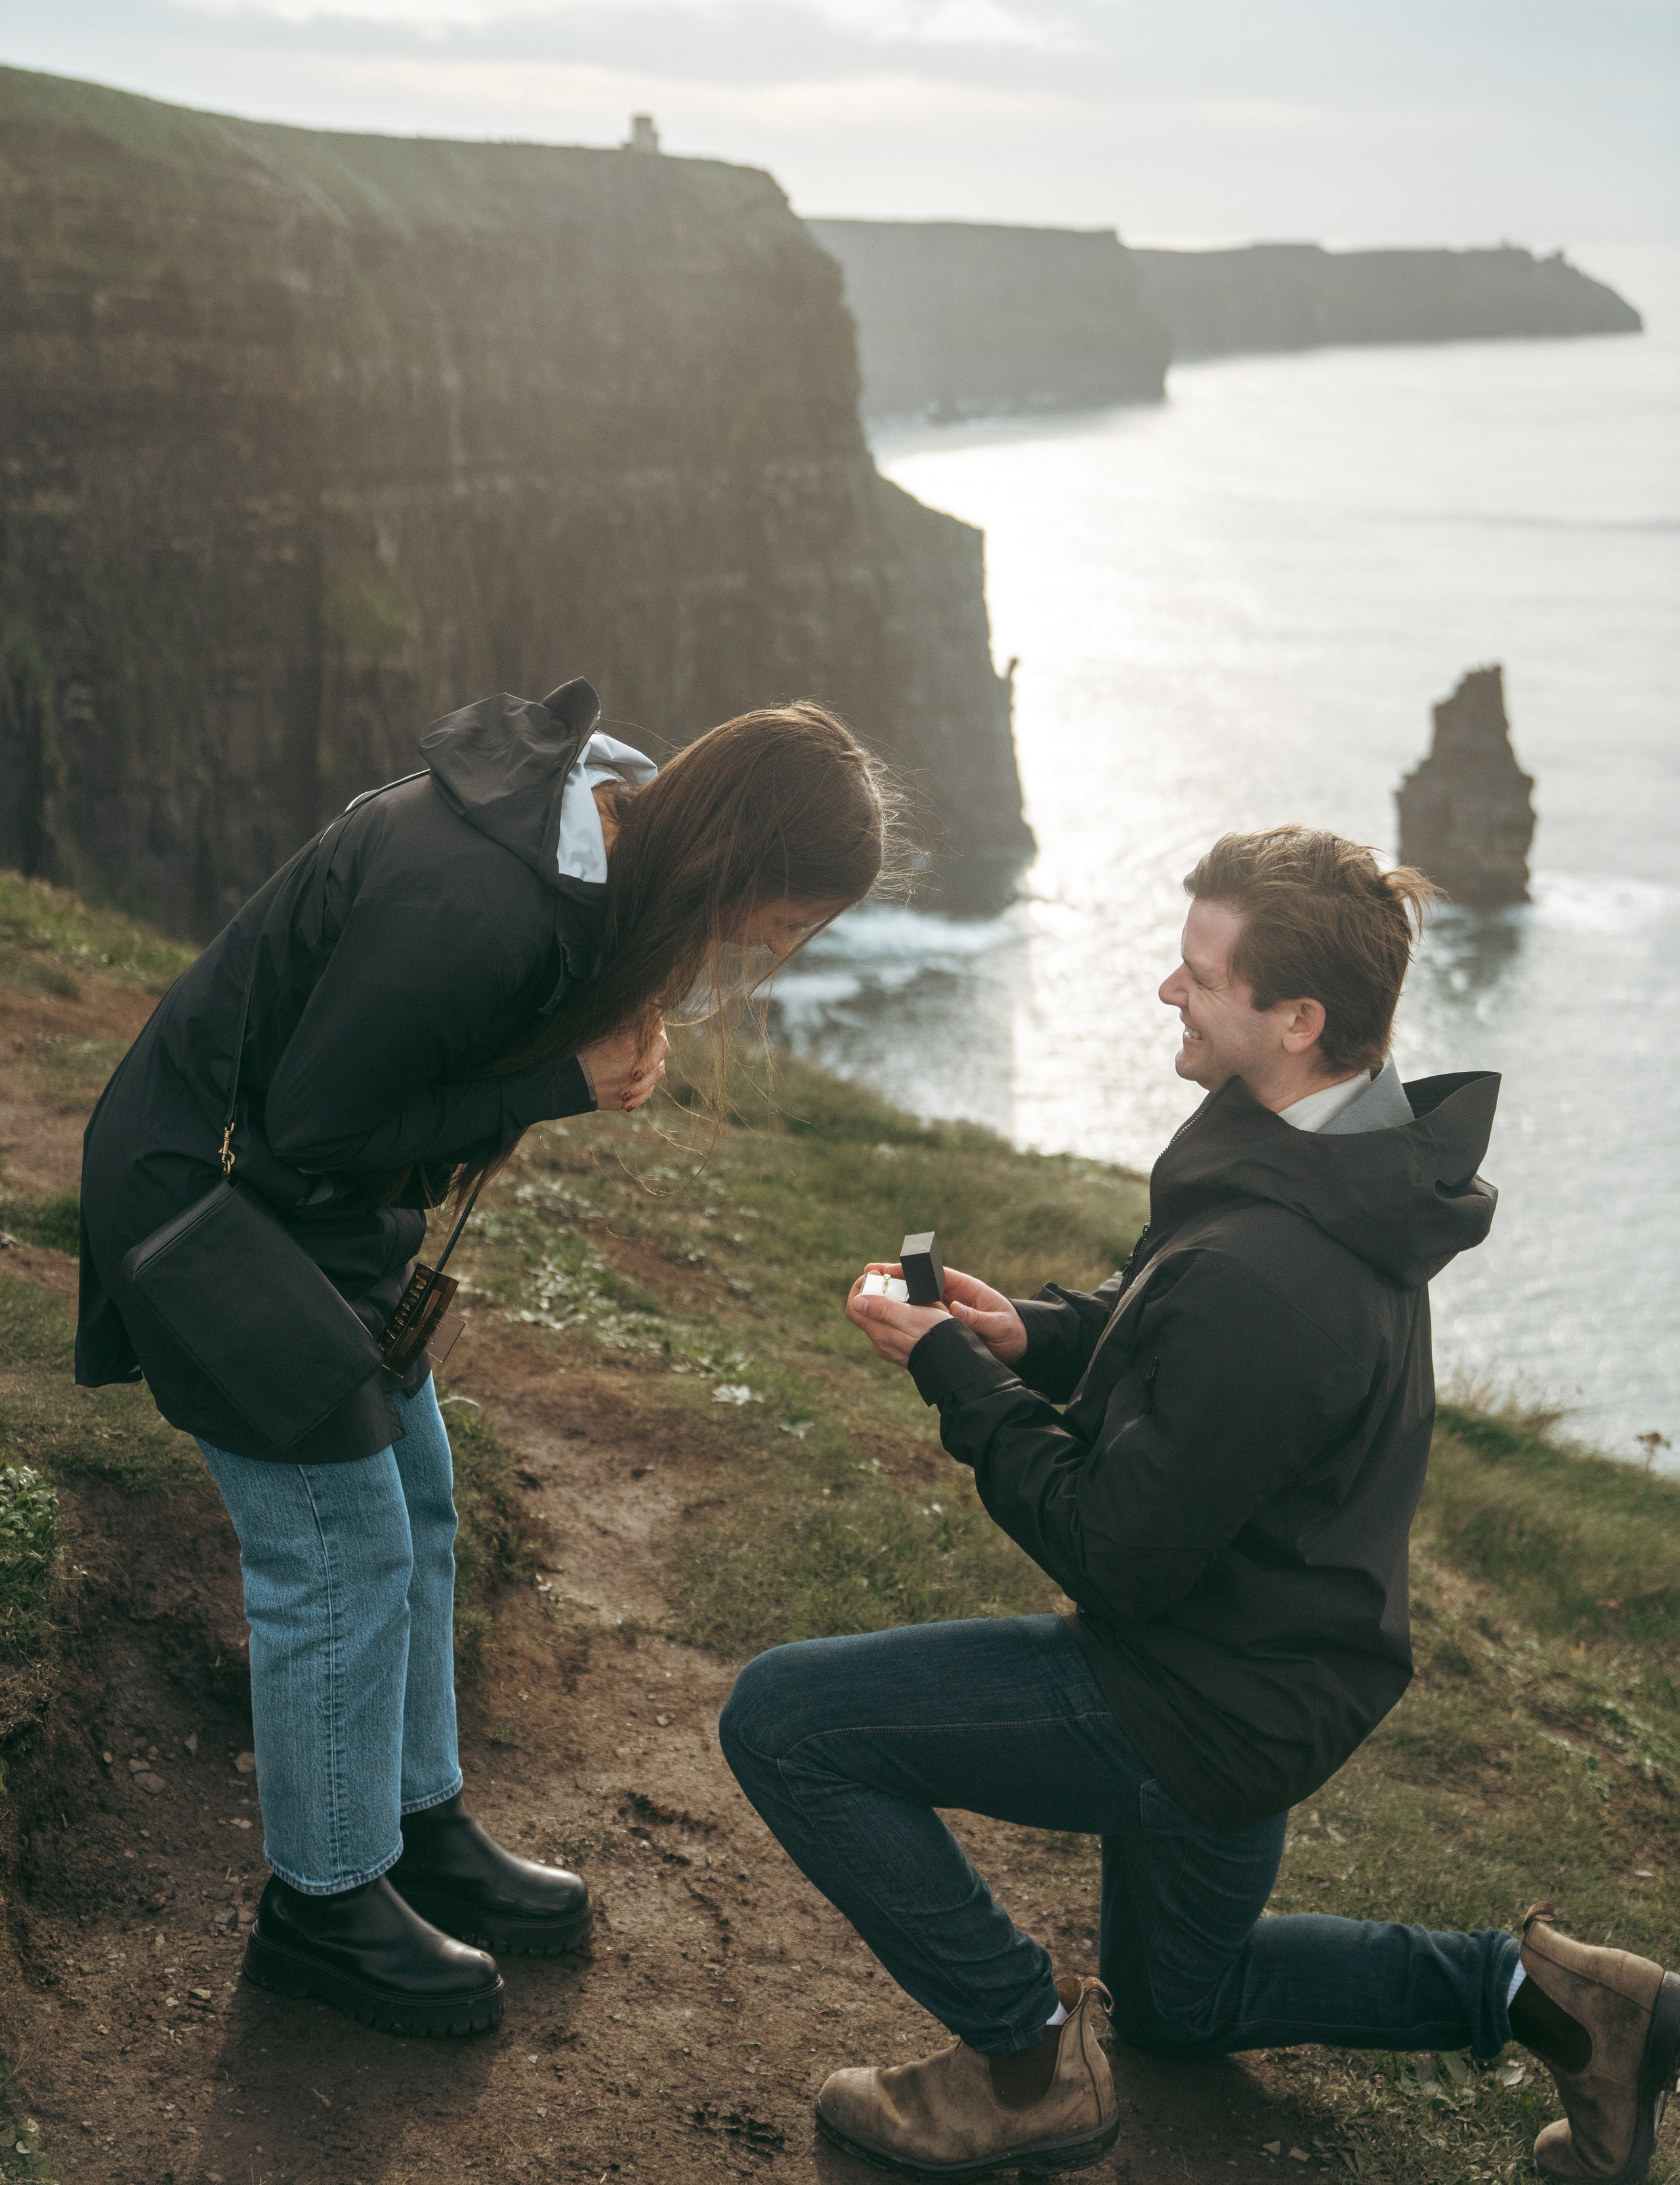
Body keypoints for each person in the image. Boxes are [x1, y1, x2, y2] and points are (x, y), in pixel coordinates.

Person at [722, 827, 1680, 2184]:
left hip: (1198, 1698)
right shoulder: (1325, 1147)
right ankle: (1553, 2006)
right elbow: (1179, 1333)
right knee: (1182, 2004)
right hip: (1282, 1660)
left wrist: (942, 1370)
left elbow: (1115, 1547)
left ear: (1295, 1018)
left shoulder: (1281, 1272)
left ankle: (1019, 2063)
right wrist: (1037, 1340)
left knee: (784, 1721)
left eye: (1197, 976)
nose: (1167, 994)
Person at [77, 679, 895, 2039]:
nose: (785, 947)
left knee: (421, 1504)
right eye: (793, 918)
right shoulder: (479, 901)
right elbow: (317, 1125)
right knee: (337, 1552)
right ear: (739, 862)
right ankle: (321, 1908)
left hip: (320, 1224)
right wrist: (556, 1086)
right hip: (211, 1212)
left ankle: (413, 1821)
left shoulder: (603, 816)